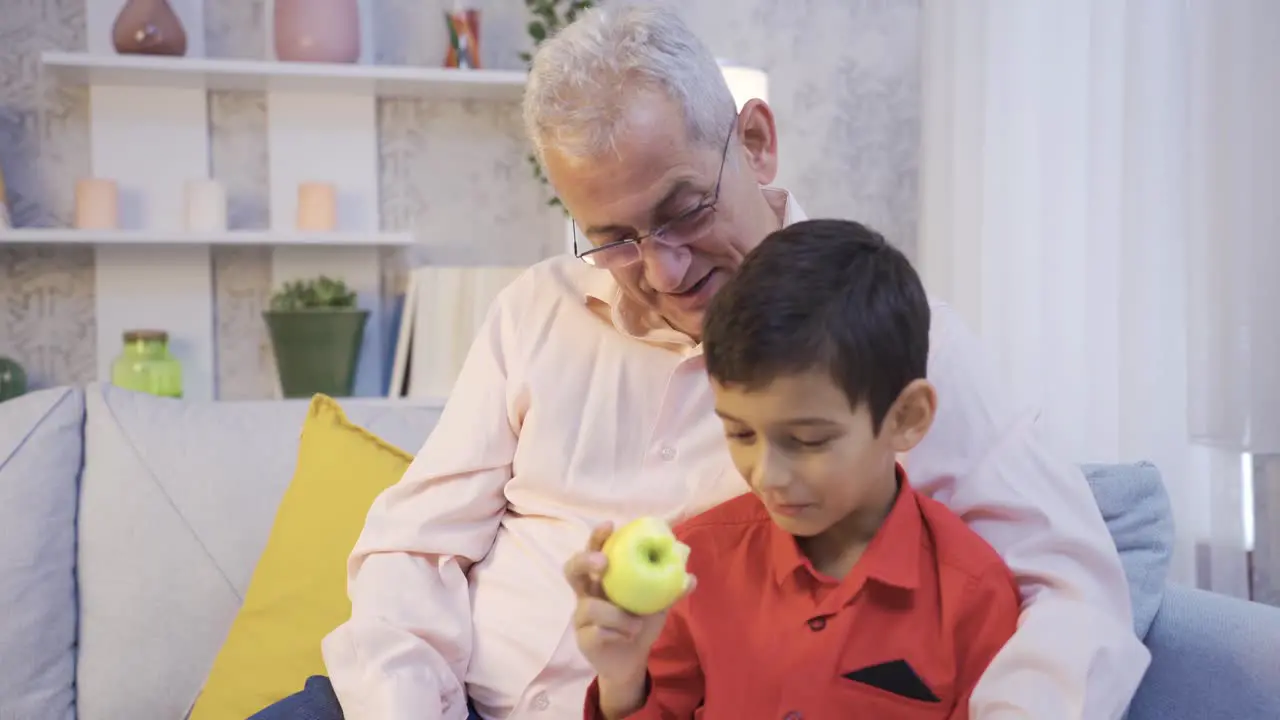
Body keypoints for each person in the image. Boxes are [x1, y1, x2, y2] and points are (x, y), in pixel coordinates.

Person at [253, 3, 1149, 719]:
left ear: (754, 142)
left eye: (682, 210)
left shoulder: (897, 339)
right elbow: (413, 547)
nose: (663, 269)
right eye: (611, 238)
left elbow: (1071, 589)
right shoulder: (536, 309)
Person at [568, 218, 1022, 719]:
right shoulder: (694, 564)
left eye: (807, 440)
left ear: (906, 418)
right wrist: (622, 679)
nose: (768, 475)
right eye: (740, 433)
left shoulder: (973, 596)